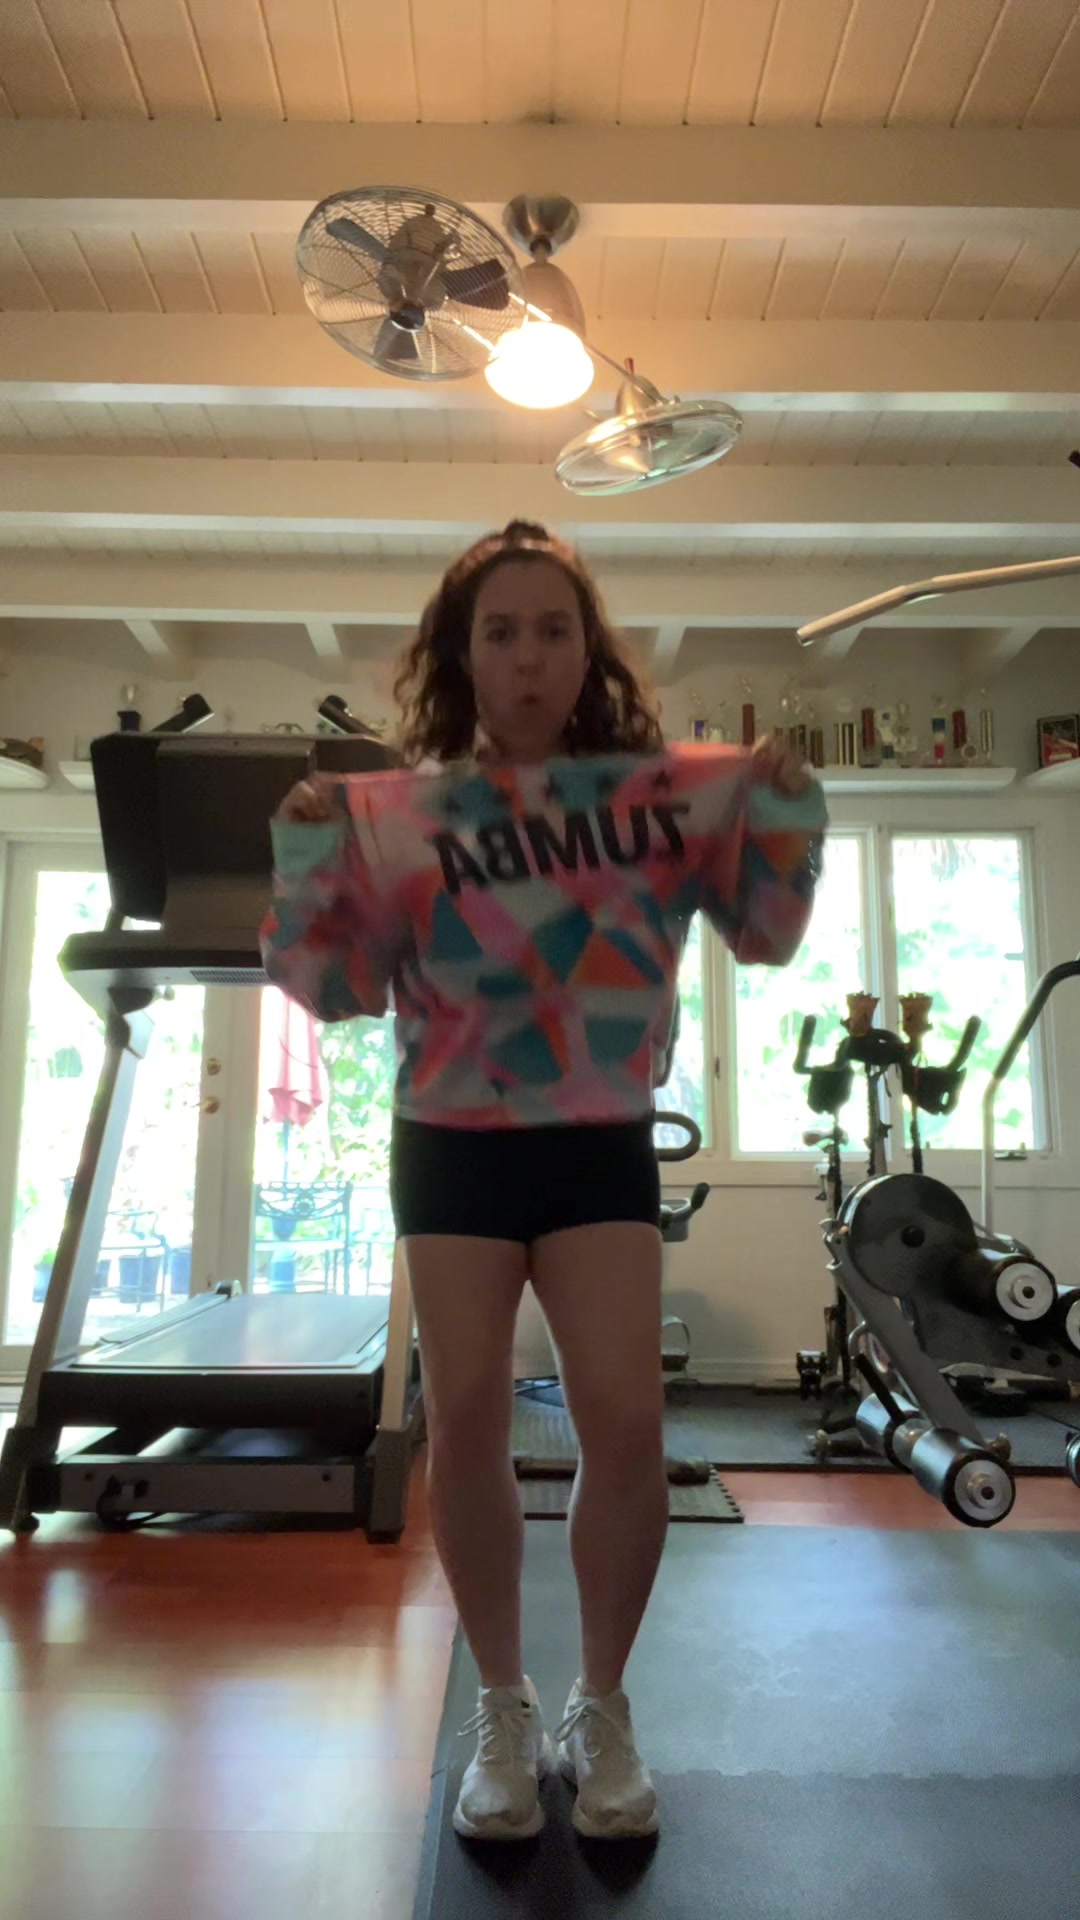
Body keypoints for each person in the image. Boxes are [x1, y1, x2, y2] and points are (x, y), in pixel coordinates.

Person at [261, 520, 826, 1845]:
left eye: (553, 630)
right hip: (450, 1140)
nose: (527, 657)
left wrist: (787, 808)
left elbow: (770, 934)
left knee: (626, 1424)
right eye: (501, 632)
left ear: (588, 653)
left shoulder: (655, 806)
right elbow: (333, 990)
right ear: (463, 656)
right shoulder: (402, 818)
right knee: (463, 1418)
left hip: (595, 1136)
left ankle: (603, 1706)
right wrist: (306, 859)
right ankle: (502, 1707)